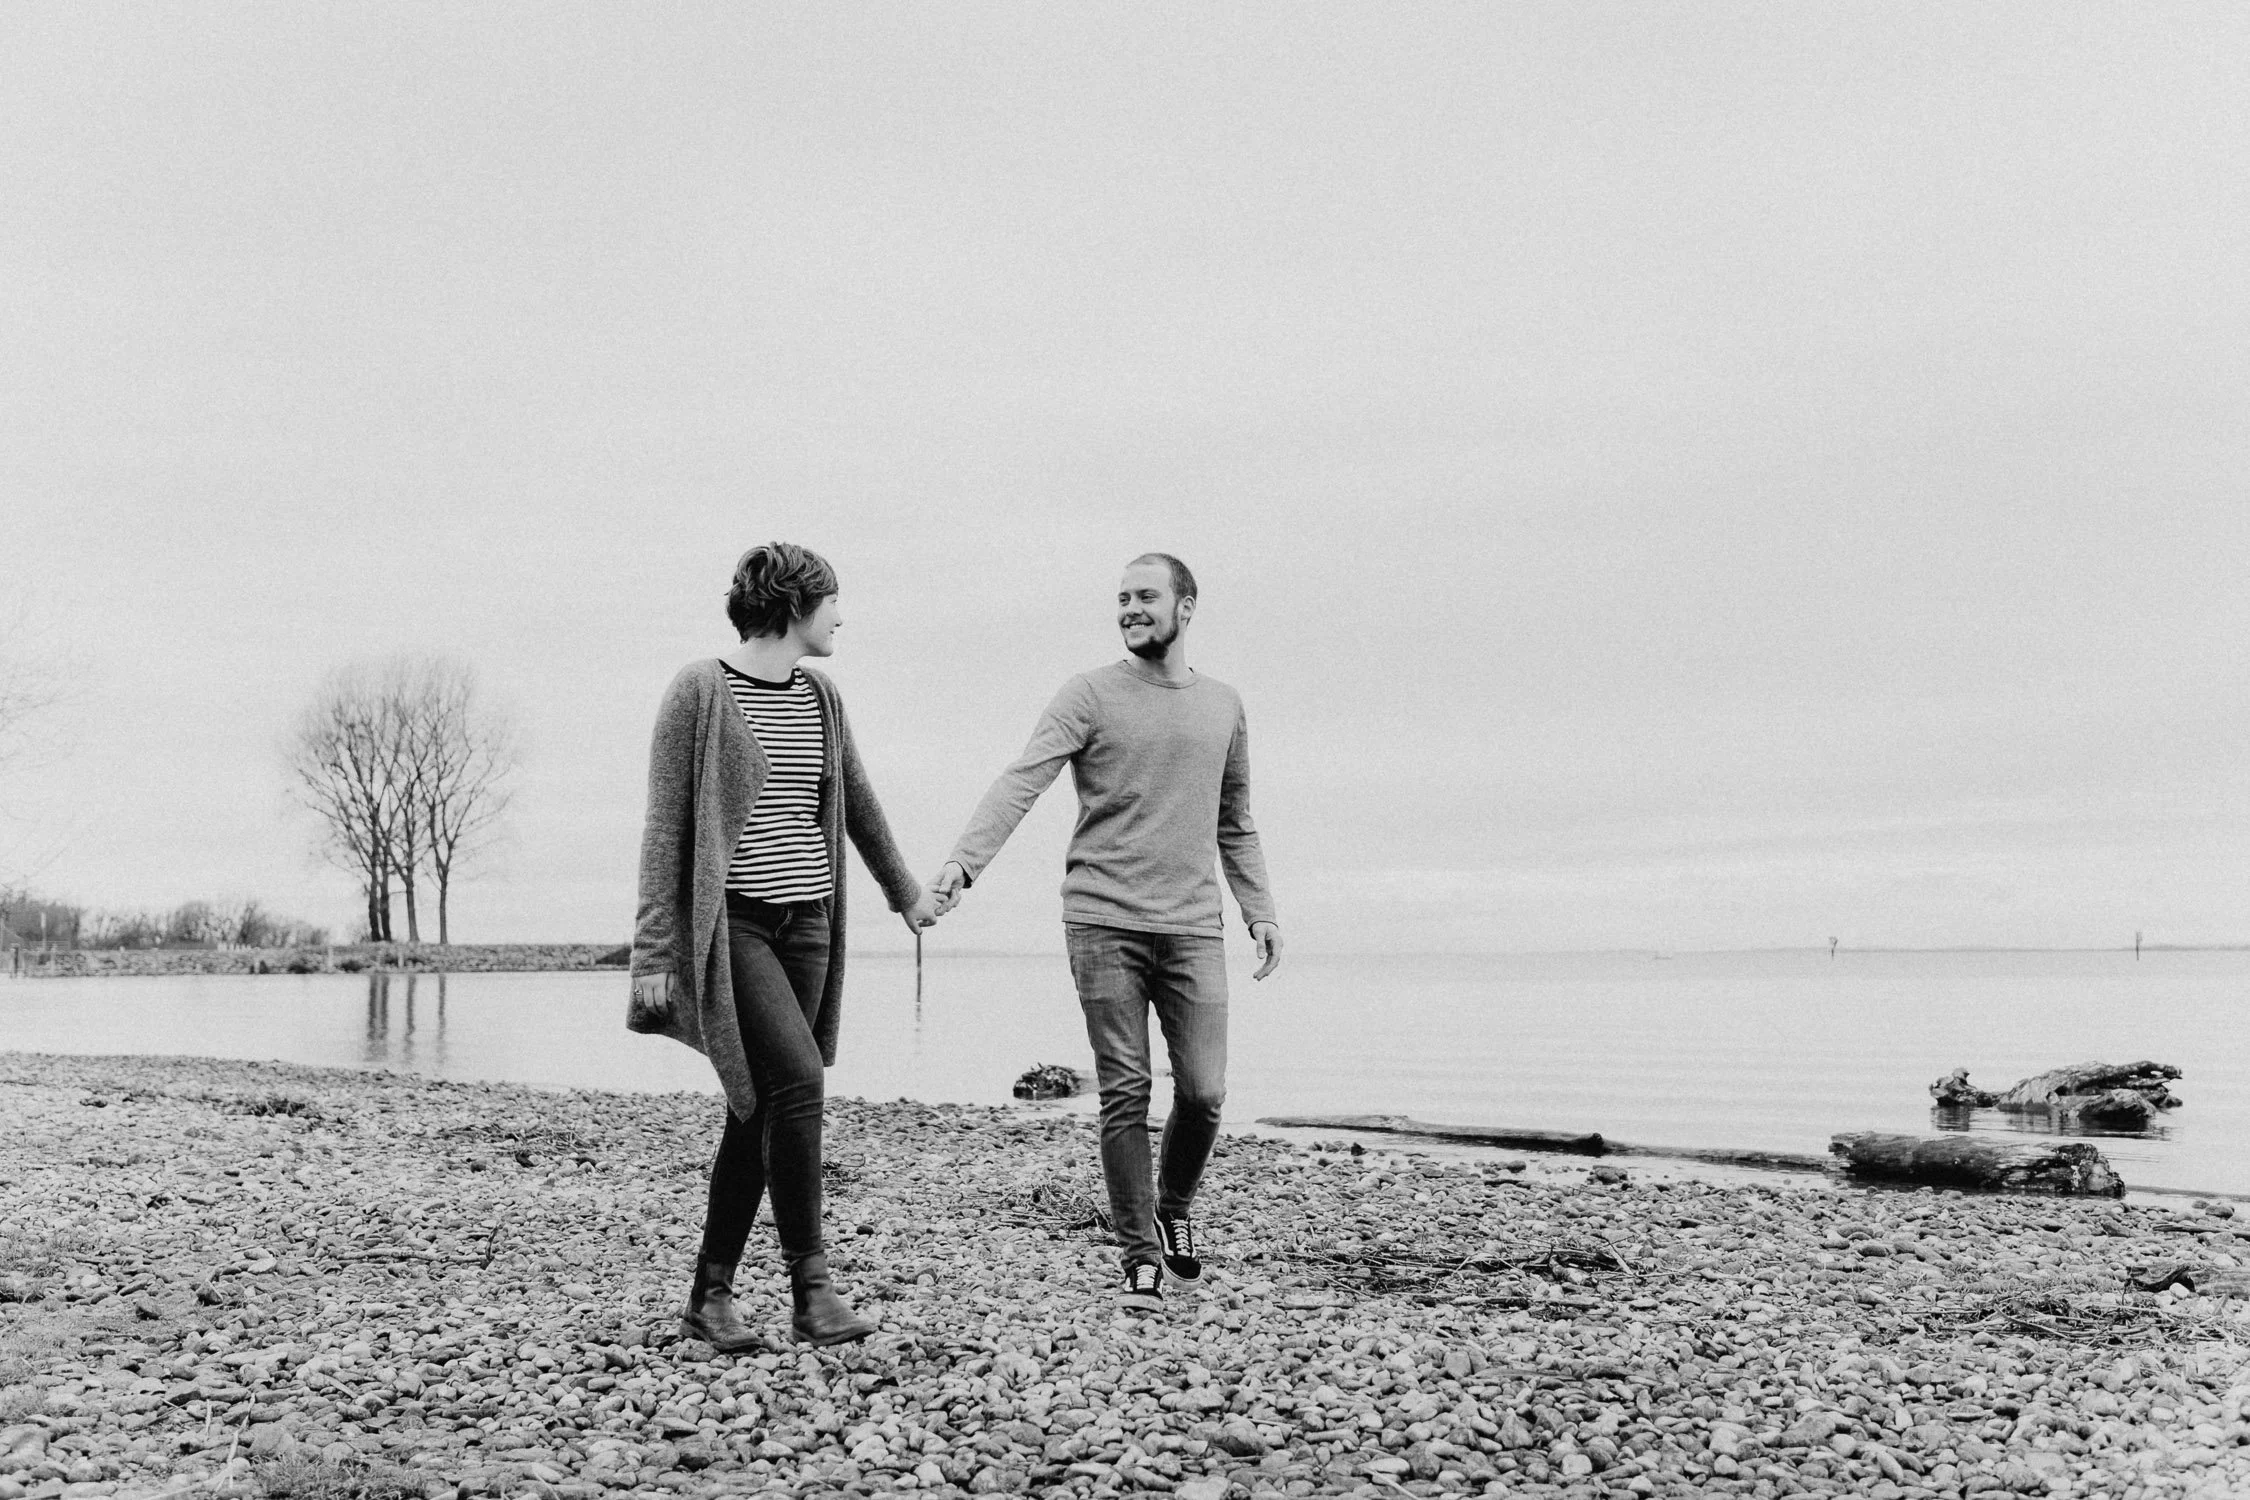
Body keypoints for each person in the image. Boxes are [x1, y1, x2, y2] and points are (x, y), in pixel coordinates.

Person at [930, 553, 1280, 1313]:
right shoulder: (1088, 694)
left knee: (1205, 1092)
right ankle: (1139, 1258)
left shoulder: (1223, 705)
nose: (1129, 609)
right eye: (1122, 598)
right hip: (1101, 920)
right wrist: (964, 863)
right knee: (1126, 1089)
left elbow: (1235, 818)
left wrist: (1260, 909)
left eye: (1145, 596)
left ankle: (1173, 1207)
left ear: (1186, 607)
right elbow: (1022, 779)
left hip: (1192, 925)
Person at [629, 542, 940, 1349]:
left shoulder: (821, 696)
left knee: (760, 1106)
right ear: (794, 604)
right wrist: (653, 953)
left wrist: (905, 894)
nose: (840, 617)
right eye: (832, 601)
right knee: (799, 1080)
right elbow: (664, 829)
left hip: (809, 927)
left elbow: (858, 802)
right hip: (734, 925)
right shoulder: (700, 690)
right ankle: (813, 1290)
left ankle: (709, 1296)